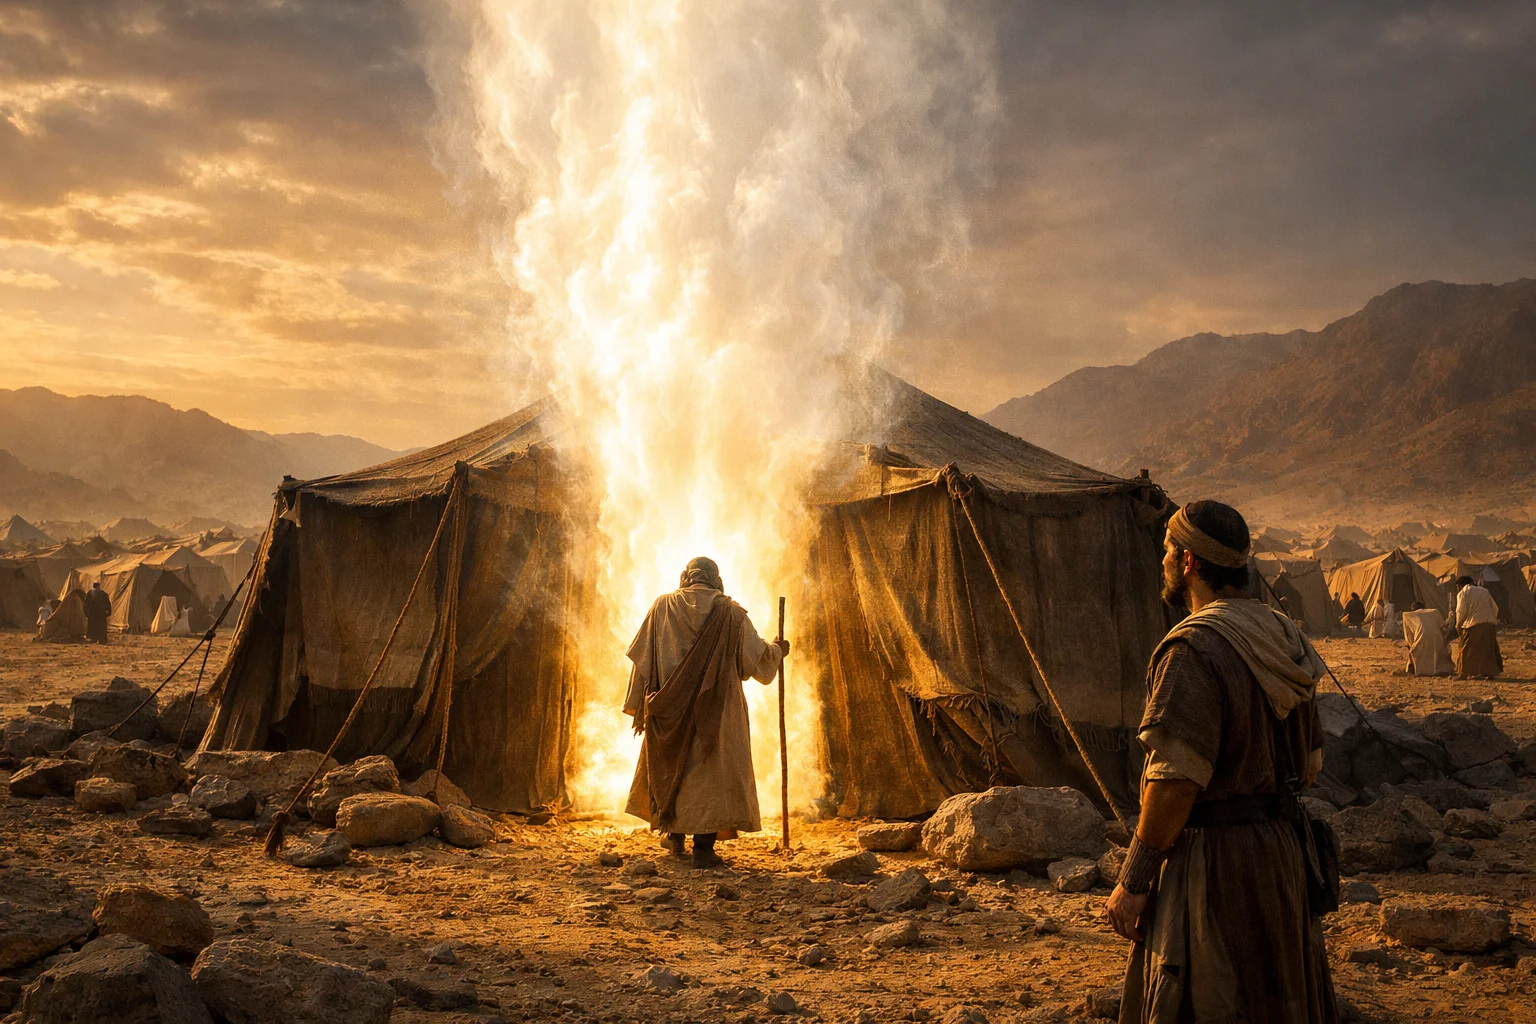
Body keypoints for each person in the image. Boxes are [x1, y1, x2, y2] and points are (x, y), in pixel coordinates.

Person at [1108, 500, 1337, 1023]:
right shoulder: (1284, 636)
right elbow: (1312, 762)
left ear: (1188, 562)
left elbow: (1174, 782)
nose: (1162, 560)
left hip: (1215, 865)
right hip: (1281, 856)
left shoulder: (1194, 649)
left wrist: (1134, 882)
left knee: (1211, 996)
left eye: (1168, 550)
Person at [623, 557, 788, 868]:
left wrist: (638, 707)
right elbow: (759, 662)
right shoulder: (731, 613)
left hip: (667, 711)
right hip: (718, 713)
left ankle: (673, 836)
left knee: (674, 769)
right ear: (716, 579)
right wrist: (778, 650)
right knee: (710, 777)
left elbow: (642, 663)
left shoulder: (661, 608)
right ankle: (703, 847)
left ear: (685, 577)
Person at [1451, 575, 1502, 679]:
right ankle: (1488, 674)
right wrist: (1491, 619)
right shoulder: (1484, 591)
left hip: (1473, 624)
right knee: (1487, 650)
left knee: (1467, 650)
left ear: (1460, 585)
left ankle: (1464, 673)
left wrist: (1458, 626)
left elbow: (1461, 611)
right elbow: (1495, 608)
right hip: (1489, 624)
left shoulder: (1463, 593)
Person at [1400, 601, 1452, 676]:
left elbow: (1408, 634)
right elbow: (1443, 628)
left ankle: (1421, 670)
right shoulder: (1434, 612)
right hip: (1437, 638)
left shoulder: (1409, 616)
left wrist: (1410, 644)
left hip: (1420, 638)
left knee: (1416, 652)